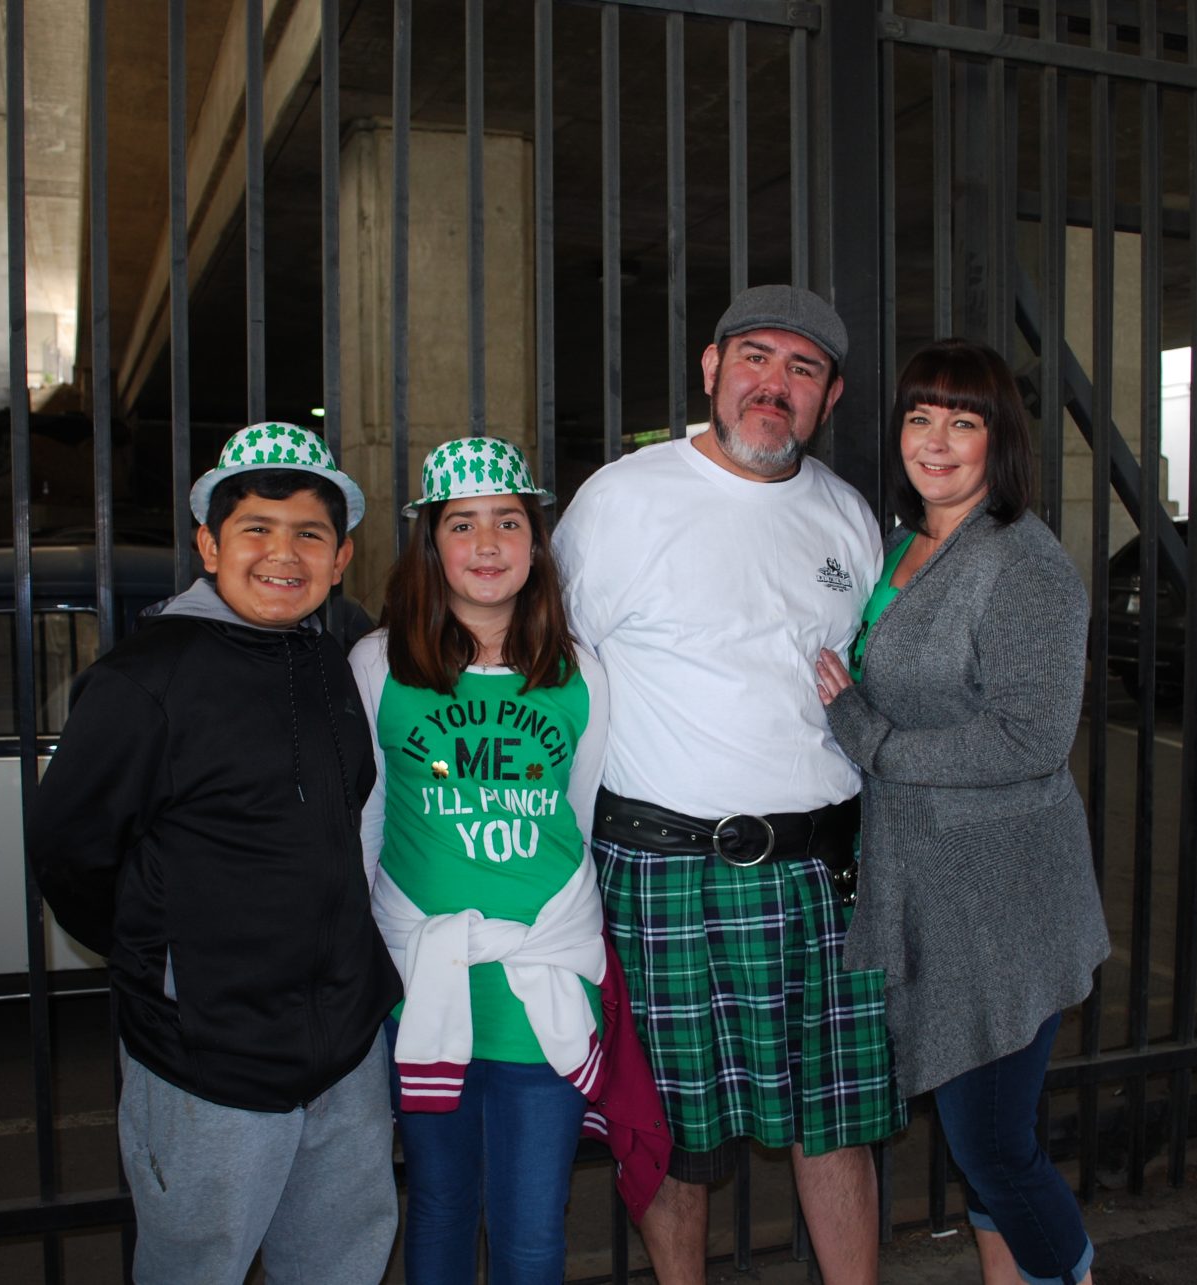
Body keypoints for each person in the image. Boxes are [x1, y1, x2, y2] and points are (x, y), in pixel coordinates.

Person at [554, 285, 905, 1285]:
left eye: (803, 370)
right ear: (710, 369)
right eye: (755, 357)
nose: (774, 385)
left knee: (833, 1118)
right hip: (665, 865)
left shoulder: (843, 515)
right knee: (676, 1130)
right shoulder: (621, 501)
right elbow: (550, 668)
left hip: (821, 870)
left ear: (829, 397)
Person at [29, 422, 400, 1285]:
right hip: (208, 1057)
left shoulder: (329, 660)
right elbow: (69, 850)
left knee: (342, 1265)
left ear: (341, 556)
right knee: (199, 1266)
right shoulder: (142, 679)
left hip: (343, 1049)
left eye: (310, 533)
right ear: (209, 545)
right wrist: (167, 964)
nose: (284, 554)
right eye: (256, 530)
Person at [813, 339, 1110, 1285]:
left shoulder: (1022, 562)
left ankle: (1071, 1271)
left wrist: (873, 738)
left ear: (1000, 440)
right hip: (929, 887)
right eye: (919, 417)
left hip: (1002, 899)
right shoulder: (908, 544)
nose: (935, 441)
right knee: (983, 1133)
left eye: (964, 422)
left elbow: (1031, 736)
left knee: (992, 1144)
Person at [351, 436, 619, 1285]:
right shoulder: (377, 666)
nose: (489, 544)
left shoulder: (583, 675)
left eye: (509, 522)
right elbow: (367, 828)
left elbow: (575, 818)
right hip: (426, 983)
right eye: (462, 525)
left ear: (537, 542)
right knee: (436, 1206)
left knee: (533, 1230)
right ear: (431, 543)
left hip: (541, 990)